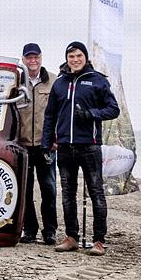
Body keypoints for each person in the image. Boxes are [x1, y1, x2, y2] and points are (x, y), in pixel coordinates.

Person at [41, 41, 120, 256]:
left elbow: (113, 109)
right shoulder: (60, 83)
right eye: (71, 56)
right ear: (67, 59)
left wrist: (91, 114)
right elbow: (50, 115)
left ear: (85, 57)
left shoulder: (97, 81)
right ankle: (71, 237)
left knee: (96, 192)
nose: (75, 60)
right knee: (68, 194)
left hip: (90, 146)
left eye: (78, 56)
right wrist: (46, 142)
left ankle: (99, 241)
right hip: (65, 147)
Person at [17, 43, 58, 245]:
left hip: (46, 145)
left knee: (48, 189)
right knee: (25, 190)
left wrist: (56, 137)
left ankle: (50, 231)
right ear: (23, 59)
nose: (32, 61)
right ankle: (29, 230)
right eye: (28, 57)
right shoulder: (18, 82)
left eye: (36, 57)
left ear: (41, 58)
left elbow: (61, 112)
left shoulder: (53, 81)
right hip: (22, 145)